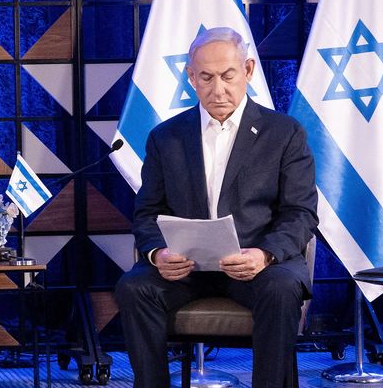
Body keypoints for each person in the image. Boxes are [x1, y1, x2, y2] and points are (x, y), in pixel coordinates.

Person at [113, 27, 318, 388]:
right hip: (187, 270)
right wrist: (157, 253)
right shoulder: (166, 137)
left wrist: (265, 255)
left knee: (281, 289)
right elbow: (146, 213)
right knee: (134, 286)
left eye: (228, 75)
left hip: (259, 266)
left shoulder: (285, 133)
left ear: (248, 71)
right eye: (205, 77)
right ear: (191, 77)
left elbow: (300, 213)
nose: (217, 89)